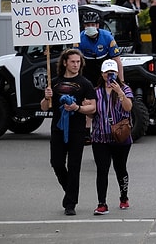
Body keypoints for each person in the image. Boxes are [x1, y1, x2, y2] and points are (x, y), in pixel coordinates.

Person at [40, 49, 97, 216]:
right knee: (56, 163)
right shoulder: (55, 82)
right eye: (72, 62)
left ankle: (70, 203)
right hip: (58, 129)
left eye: (78, 62)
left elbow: (92, 107)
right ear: (65, 62)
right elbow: (44, 107)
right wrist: (46, 97)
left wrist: (77, 107)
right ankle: (69, 191)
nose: (76, 65)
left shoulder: (85, 83)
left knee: (74, 166)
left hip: (77, 130)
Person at [91, 59, 134, 215]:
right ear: (102, 74)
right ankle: (102, 203)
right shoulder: (96, 92)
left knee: (120, 168)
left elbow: (129, 108)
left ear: (117, 73)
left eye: (113, 73)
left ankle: (124, 197)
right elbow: (91, 110)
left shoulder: (125, 89)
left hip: (120, 137)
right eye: (107, 73)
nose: (110, 76)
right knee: (102, 169)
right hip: (100, 137)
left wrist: (120, 93)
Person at [74, 11, 124, 85]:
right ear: (84, 26)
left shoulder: (108, 37)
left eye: (93, 24)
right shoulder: (78, 39)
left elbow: (117, 60)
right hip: (87, 68)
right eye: (87, 25)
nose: (90, 27)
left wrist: (121, 81)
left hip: (104, 67)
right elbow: (75, 60)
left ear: (97, 25)